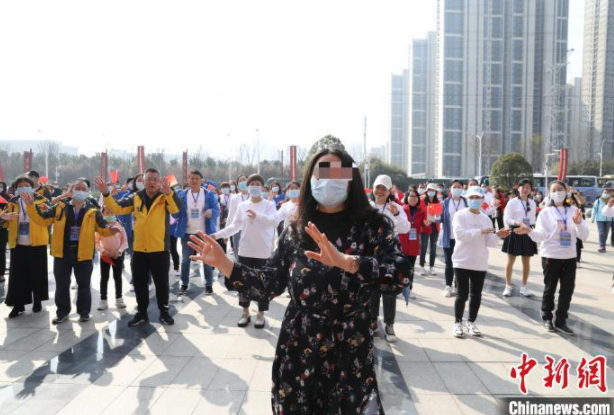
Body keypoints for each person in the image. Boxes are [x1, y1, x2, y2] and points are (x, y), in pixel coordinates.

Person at [188, 148, 410, 414]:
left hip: (349, 349)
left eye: (336, 173)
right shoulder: (296, 228)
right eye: (320, 173)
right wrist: (225, 264)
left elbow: (400, 274)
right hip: (300, 347)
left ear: (351, 178)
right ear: (310, 181)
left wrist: (348, 262)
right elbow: (270, 282)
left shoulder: (374, 226)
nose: (327, 180)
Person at [24, 179, 119, 323]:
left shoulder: (93, 210)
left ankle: (84, 312)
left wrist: (110, 230)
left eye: (83, 188)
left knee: (84, 285)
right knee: (62, 285)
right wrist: (31, 206)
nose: (80, 191)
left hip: (84, 254)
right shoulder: (60, 207)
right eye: (77, 188)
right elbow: (43, 220)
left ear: (87, 192)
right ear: (72, 190)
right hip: (62, 252)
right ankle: (62, 312)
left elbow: (103, 227)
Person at [95, 168, 182, 327]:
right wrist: (106, 194)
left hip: (160, 249)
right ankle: (142, 313)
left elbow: (176, 210)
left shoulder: (165, 197)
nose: (152, 182)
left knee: (162, 283)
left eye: (155, 179)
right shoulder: (136, 197)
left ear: (159, 181)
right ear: (143, 181)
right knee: (140, 284)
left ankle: (164, 312)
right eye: (148, 179)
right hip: (140, 250)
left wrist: (169, 193)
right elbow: (117, 208)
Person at [515, 181, 588, 335]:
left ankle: (561, 320)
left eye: (560, 189)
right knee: (550, 289)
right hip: (551, 255)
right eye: (554, 190)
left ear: (566, 191)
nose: (558, 192)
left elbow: (584, 235)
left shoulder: (574, 210)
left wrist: (579, 223)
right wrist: (529, 231)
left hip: (569, 256)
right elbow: (540, 236)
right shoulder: (545, 213)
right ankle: (547, 317)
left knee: (567, 290)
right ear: (549, 193)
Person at [212, 174, 278, 329]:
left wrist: (258, 216)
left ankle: (261, 314)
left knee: (263, 284)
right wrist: (217, 235)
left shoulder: (269, 205)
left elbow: (274, 221)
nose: (254, 186)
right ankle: (245, 312)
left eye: (257, 184)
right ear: (248, 187)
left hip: (263, 251)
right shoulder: (242, 206)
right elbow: (234, 226)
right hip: (245, 250)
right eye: (252, 184)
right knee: (242, 283)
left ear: (262, 188)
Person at [452, 186, 511, 338]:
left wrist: (498, 235)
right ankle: (458, 323)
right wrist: (480, 231)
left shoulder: (485, 219)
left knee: (476, 294)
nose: (475, 200)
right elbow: (460, 235)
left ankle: (471, 322)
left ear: (482, 199)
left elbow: (489, 242)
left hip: (479, 261)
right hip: (462, 260)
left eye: (478, 198)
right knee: (462, 294)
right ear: (467, 199)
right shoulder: (460, 215)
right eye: (472, 198)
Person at [1, 176, 50, 317]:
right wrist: (3, 218)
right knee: (17, 277)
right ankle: (18, 305)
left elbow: (48, 219)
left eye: (26, 184)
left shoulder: (41, 200)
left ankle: (37, 301)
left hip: (37, 244)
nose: (23, 187)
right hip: (18, 244)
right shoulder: (12, 202)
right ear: (16, 188)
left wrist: (33, 206)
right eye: (20, 185)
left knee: (36, 275)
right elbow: (4, 221)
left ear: (31, 186)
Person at [369, 175, 410, 343]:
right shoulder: (367, 207)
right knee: (371, 291)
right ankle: (371, 323)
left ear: (388, 191)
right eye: (377, 188)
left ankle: (389, 325)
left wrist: (398, 214)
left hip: (389, 255)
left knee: (389, 291)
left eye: (383, 189)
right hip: (370, 254)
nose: (380, 191)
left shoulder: (395, 207)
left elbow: (406, 228)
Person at [174, 170, 219, 295]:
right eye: (191, 178)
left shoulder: (209, 194)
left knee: (206, 259)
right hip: (187, 233)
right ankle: (183, 284)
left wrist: (211, 211)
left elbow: (217, 210)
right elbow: (175, 213)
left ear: (201, 181)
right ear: (188, 180)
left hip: (204, 233)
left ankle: (209, 285)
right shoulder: (182, 195)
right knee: (185, 260)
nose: (194, 181)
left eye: (196, 178)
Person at [501, 179, 538, 297]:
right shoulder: (512, 202)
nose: (526, 189)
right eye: (524, 187)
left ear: (531, 190)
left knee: (526, 261)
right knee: (510, 260)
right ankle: (507, 286)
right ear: (518, 188)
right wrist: (517, 222)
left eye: (528, 187)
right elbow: (507, 218)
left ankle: (524, 286)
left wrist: (531, 228)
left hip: (527, 231)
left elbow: (533, 218)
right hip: (515, 230)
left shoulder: (532, 203)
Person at [96, 205, 128, 310]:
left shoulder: (120, 226)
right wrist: (102, 251)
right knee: (104, 278)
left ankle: (119, 298)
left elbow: (124, 242)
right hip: (105, 256)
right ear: (103, 214)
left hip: (117, 256)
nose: (109, 214)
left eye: (111, 212)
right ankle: (103, 300)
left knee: (117, 277)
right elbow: (96, 241)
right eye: (107, 212)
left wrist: (119, 252)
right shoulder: (100, 227)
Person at [440, 180, 467, 297]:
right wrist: (433, 216)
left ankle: (457, 285)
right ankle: (448, 286)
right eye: (454, 186)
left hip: (462, 238)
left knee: (460, 263)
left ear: (462, 189)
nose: (456, 188)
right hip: (448, 236)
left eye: (459, 187)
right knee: (449, 263)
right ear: (450, 188)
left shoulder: (466, 202)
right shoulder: (445, 202)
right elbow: (439, 218)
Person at [400, 189, 427, 298]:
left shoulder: (421, 211)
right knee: (400, 266)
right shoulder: (401, 209)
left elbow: (427, 229)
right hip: (402, 241)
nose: (413, 198)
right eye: (411, 196)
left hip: (414, 243)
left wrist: (426, 224)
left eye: (415, 197)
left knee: (410, 268)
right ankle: (399, 288)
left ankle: (408, 289)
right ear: (407, 197)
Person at [225, 174, 249, 255]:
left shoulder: (254, 196)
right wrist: (226, 233)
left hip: (252, 230)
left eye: (244, 180)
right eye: (240, 181)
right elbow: (230, 216)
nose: (243, 182)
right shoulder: (235, 198)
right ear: (238, 185)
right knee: (238, 256)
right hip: (238, 231)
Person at [420, 183, 440, 276]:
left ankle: (431, 266)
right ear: (426, 191)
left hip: (434, 227)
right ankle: (422, 266)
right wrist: (424, 222)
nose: (431, 192)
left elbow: (438, 216)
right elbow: (419, 215)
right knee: (423, 247)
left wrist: (434, 219)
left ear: (436, 192)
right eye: (429, 190)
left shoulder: (437, 202)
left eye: (433, 190)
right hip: (424, 227)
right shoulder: (422, 202)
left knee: (433, 248)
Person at [592, 186, 613, 252]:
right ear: (602, 193)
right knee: (601, 232)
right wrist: (593, 218)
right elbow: (594, 209)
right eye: (605, 192)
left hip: (609, 219)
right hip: (599, 219)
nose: (606, 194)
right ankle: (602, 246)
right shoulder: (598, 201)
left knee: (606, 233)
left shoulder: (612, 201)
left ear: (610, 194)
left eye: (607, 192)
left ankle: (603, 244)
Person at [0, 181, 9, 283]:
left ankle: (1, 274)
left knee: (1, 253)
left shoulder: (7, 198)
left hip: (2, 229)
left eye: (1, 186)